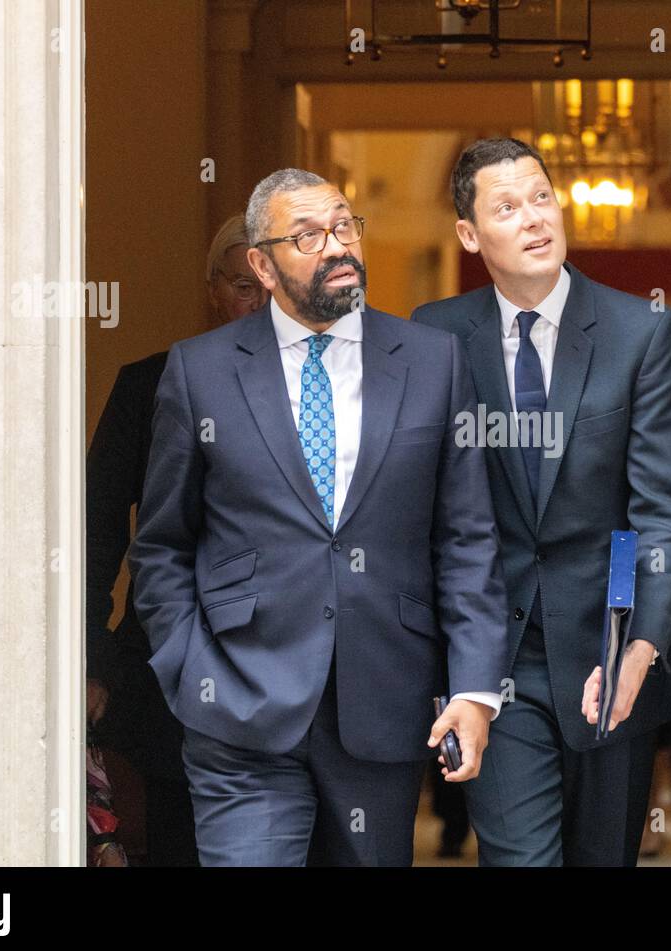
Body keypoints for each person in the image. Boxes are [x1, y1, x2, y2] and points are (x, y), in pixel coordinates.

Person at [128, 168, 509, 866]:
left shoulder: (431, 361)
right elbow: (162, 544)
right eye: (308, 236)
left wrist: (476, 690)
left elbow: (466, 539)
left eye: (344, 226)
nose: (338, 246)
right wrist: (190, 670)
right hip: (238, 711)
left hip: (384, 707)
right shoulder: (199, 371)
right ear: (261, 266)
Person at [412, 138, 671, 866]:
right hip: (491, 659)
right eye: (507, 207)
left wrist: (638, 648)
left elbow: (661, 514)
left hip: (611, 657)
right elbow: (421, 505)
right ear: (470, 236)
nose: (535, 218)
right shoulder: (435, 336)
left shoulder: (641, 334)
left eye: (542, 197)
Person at [85, 214, 267, 866]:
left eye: (277, 282)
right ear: (213, 291)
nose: (262, 302)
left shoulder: (339, 392)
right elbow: (96, 527)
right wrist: (91, 656)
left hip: (298, 685)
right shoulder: (148, 388)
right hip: (171, 683)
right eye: (245, 285)